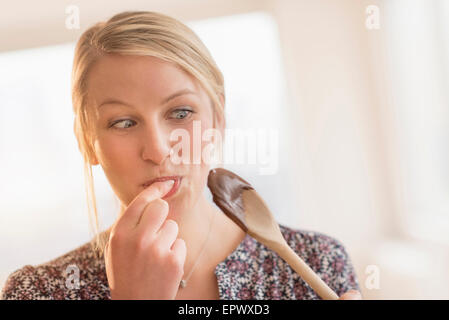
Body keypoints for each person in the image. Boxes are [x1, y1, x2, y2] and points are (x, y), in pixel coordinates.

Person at [1, 11, 362, 300]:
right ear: (86, 142)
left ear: (218, 119)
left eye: (180, 113)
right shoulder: (39, 293)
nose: (157, 150)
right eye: (124, 122)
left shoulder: (316, 264)